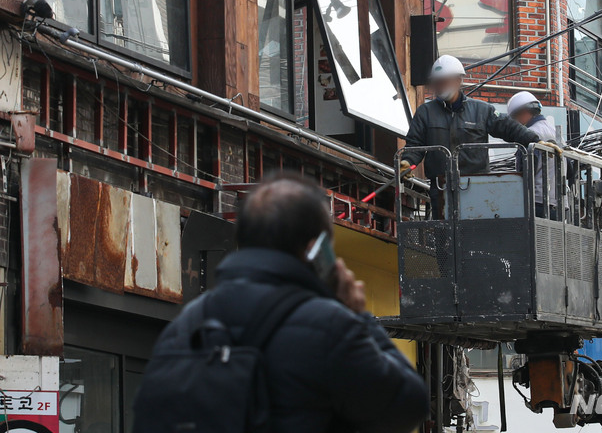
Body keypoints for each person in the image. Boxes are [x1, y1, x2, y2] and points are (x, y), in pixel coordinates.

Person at [138, 175, 429, 433]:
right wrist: (359, 315)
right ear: (316, 250)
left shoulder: (185, 327)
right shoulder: (330, 328)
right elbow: (409, 405)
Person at [401, 55, 559, 219]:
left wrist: (535, 141)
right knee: (446, 232)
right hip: (441, 186)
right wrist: (407, 162)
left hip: (477, 185)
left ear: (457, 80)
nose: (439, 86)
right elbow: (415, 145)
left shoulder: (481, 110)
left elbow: (508, 127)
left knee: (476, 230)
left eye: (444, 81)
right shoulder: (425, 113)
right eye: (437, 82)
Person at [507, 91, 561, 219]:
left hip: (537, 202)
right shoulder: (556, 134)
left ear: (523, 113)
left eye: (515, 118)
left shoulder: (530, 134)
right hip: (559, 204)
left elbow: (524, 172)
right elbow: (569, 170)